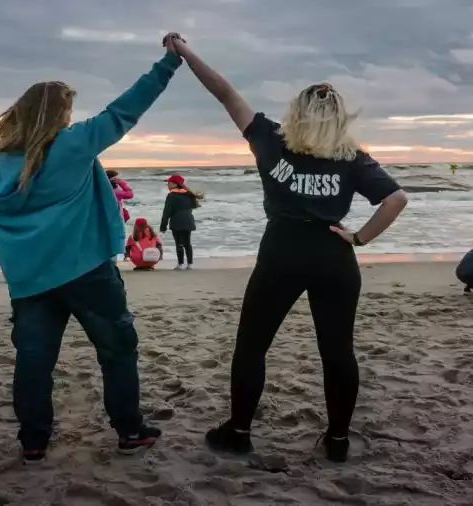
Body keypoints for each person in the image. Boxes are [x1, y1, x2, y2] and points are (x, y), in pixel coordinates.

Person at [168, 35, 409, 462]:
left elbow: (225, 92)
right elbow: (395, 199)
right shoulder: (352, 157)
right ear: (339, 118)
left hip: (281, 254)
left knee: (252, 347)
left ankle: (239, 432)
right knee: (337, 352)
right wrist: (358, 237)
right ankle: (337, 442)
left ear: (295, 111)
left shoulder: (269, 138)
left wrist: (185, 52)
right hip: (334, 258)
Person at [0, 32, 184, 461]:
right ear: (58, 115)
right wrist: (169, 62)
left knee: (34, 362)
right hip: (88, 272)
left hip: (29, 280)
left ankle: (34, 442)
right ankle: (129, 431)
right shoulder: (73, 145)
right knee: (116, 350)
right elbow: (127, 109)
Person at [159, 174, 202, 270]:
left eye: (169, 183)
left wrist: (163, 226)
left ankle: (181, 264)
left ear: (175, 184)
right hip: (188, 220)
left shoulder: (171, 196)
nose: (168, 185)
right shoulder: (188, 194)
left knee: (179, 243)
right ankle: (190, 263)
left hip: (177, 221)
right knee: (187, 243)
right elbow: (193, 206)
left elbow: (167, 212)